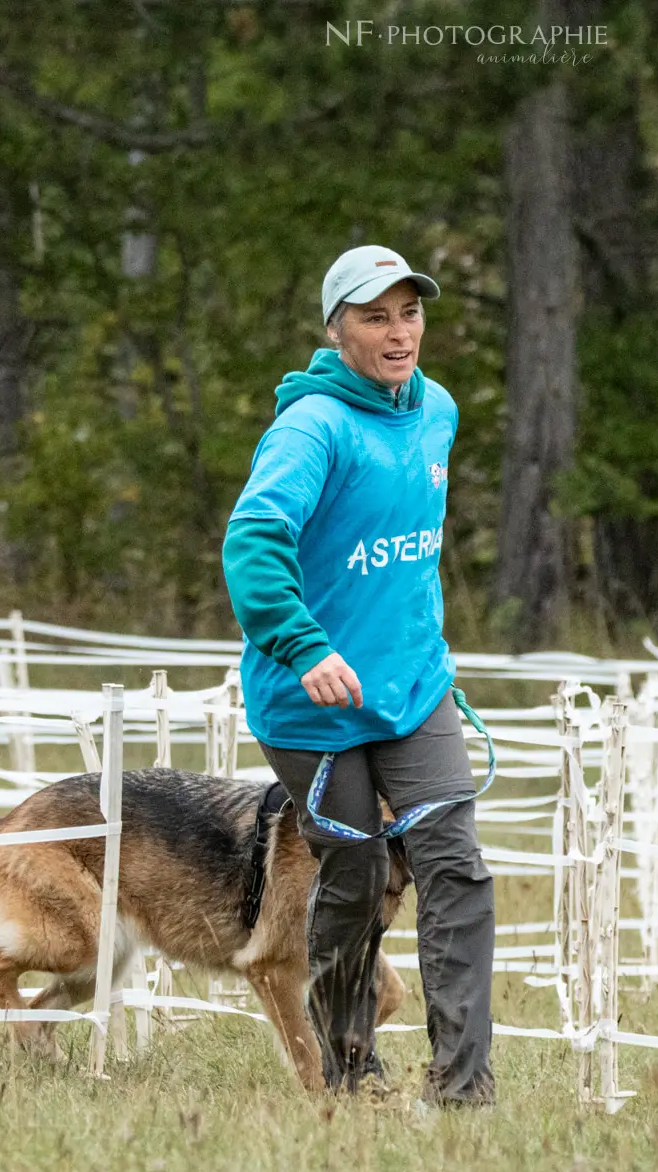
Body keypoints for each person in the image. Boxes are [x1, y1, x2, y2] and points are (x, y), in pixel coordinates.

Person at [221, 244, 497, 1104]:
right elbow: (253, 545)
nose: (398, 330)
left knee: (456, 867)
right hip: (312, 703)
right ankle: (348, 1068)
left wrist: (421, 654)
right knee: (356, 874)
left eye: (409, 312)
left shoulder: (438, 411)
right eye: (375, 315)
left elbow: (407, 563)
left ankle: (461, 1087)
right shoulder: (311, 427)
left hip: (414, 689)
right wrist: (305, 646)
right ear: (336, 328)